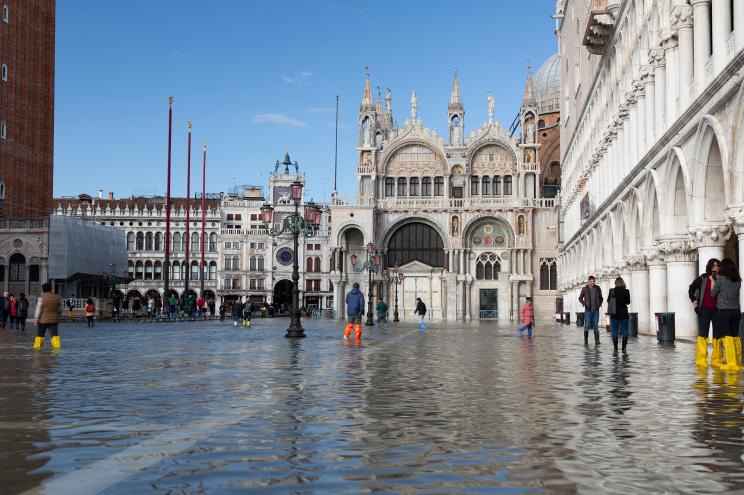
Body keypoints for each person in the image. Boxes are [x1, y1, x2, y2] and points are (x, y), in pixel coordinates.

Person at [710, 258, 742, 371]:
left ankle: (731, 364)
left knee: (727, 337)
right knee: (735, 337)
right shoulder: (738, 280)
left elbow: (712, 294)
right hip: (736, 311)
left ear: (724, 268)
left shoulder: (721, 279)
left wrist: (713, 282)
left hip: (724, 312)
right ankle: (738, 363)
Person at [689, 258, 721, 367]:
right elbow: (691, 288)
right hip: (705, 309)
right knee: (703, 334)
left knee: (717, 335)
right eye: (713, 266)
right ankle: (701, 360)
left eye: (717, 266)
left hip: (718, 310)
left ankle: (716, 360)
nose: (715, 268)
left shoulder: (721, 279)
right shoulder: (702, 278)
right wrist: (694, 300)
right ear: (709, 267)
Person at [34, 283, 62, 350]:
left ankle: (37, 350)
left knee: (39, 335)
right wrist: (57, 316)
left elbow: (38, 309)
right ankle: (56, 350)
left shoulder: (41, 298)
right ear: (51, 288)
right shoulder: (57, 297)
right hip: (54, 320)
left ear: (43, 289)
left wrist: (36, 319)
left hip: (42, 320)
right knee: (54, 336)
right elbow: (60, 309)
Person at [579, 275, 603, 346]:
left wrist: (599, 304)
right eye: (591, 281)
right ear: (588, 281)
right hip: (588, 310)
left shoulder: (598, 288)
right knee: (587, 325)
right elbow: (580, 298)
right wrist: (584, 304)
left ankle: (597, 341)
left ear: (595, 281)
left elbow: (601, 298)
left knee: (596, 325)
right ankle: (586, 341)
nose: (592, 282)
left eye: (593, 281)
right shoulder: (584, 289)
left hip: (596, 310)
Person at [608, 277, 631, 353]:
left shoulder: (612, 291)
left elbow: (608, 300)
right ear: (623, 282)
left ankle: (615, 347)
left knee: (614, 331)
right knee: (625, 330)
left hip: (614, 314)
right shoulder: (626, 291)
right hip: (624, 313)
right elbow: (628, 302)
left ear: (615, 283)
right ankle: (624, 347)